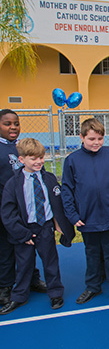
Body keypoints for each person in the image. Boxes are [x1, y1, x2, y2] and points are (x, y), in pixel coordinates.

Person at [61, 118, 109, 305]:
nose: (96, 143)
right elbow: (67, 190)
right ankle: (93, 286)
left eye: (100, 138)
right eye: (92, 138)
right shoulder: (72, 160)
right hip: (87, 219)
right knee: (91, 254)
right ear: (82, 137)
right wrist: (73, 215)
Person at [0, 138, 75, 314]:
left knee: (51, 261)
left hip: (45, 227)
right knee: (24, 264)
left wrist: (59, 224)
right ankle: (19, 296)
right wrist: (22, 234)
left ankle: (55, 292)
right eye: (33, 158)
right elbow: (8, 212)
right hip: (25, 231)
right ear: (21, 160)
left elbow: (57, 204)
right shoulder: (13, 183)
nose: (39, 161)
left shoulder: (48, 179)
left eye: (41, 157)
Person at [0, 109, 46, 305]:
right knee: (6, 249)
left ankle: (31, 279)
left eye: (16, 123)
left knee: (28, 246)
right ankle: (5, 285)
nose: (13, 127)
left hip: (26, 209)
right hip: (6, 211)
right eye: (7, 123)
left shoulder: (20, 147)